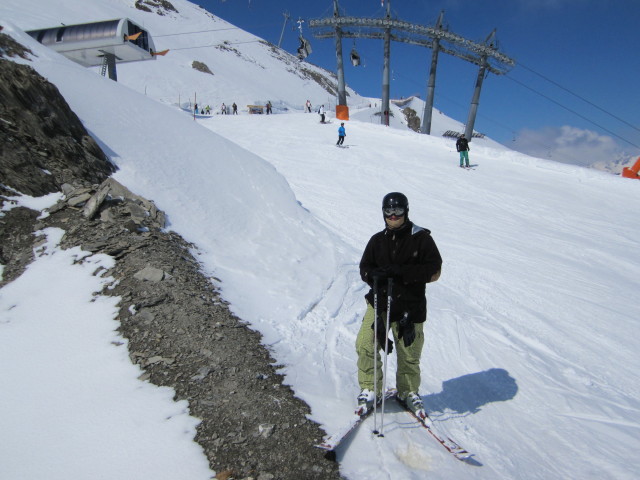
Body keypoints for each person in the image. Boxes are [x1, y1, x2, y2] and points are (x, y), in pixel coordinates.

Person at [356, 192, 442, 419]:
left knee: (409, 353)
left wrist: (402, 273)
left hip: (410, 307)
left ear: (406, 211)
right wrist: (371, 275)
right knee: (366, 344)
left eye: (398, 212)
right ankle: (370, 388)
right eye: (388, 212)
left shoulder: (421, 238)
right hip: (380, 304)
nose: (393, 216)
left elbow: (435, 271)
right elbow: (364, 266)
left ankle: (408, 391)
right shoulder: (377, 240)